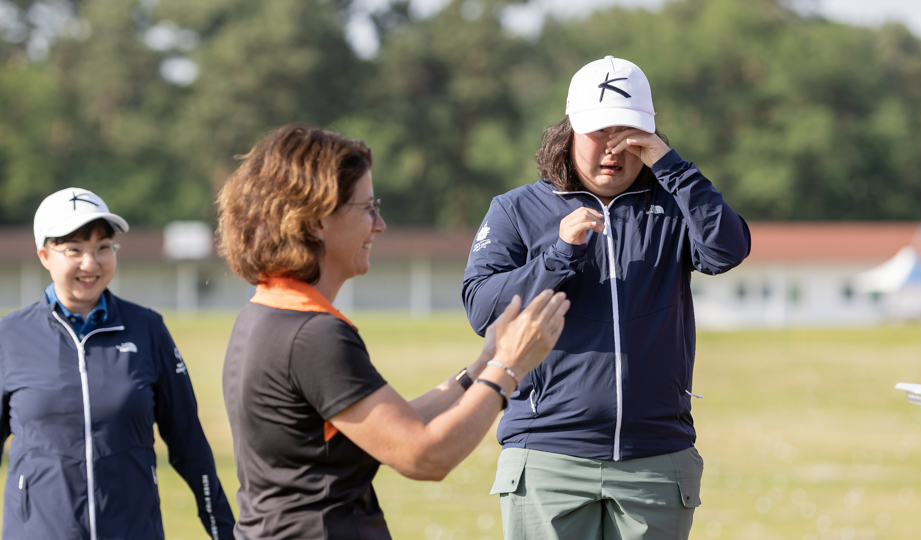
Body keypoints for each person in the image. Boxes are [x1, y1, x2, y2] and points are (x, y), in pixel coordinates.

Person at [217, 123, 569, 539]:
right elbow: (425, 456)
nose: (379, 224)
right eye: (366, 208)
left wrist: (481, 365)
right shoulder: (313, 335)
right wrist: (510, 368)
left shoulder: (266, 312)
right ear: (315, 222)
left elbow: (392, 424)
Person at [462, 56, 752, 539]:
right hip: (546, 453)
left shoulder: (672, 205)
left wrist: (673, 168)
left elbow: (727, 250)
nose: (615, 149)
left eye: (631, 133)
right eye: (600, 133)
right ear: (571, 128)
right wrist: (559, 255)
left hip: (656, 458)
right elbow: (483, 309)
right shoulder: (516, 210)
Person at [0, 188, 235, 539]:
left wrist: (223, 530)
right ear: (44, 255)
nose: (90, 264)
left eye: (103, 248)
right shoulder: (9, 337)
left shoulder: (148, 329)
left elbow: (189, 443)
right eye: (74, 250)